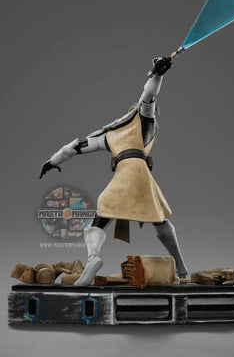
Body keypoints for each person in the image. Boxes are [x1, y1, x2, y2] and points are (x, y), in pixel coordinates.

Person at [40, 57, 189, 286]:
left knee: (101, 218)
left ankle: (93, 258)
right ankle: (182, 269)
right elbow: (148, 96)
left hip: (126, 174)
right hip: (139, 174)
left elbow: (73, 148)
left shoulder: (109, 135)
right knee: (159, 219)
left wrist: (52, 161)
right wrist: (157, 75)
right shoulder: (140, 123)